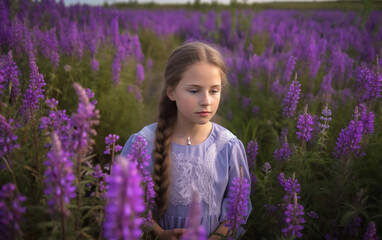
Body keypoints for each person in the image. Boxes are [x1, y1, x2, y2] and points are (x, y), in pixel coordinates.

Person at [121, 41, 252, 240]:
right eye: (194, 91)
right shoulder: (142, 143)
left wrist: (218, 236)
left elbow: (239, 208)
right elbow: (126, 201)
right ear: (171, 91)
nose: (206, 100)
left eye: (214, 90)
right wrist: (157, 233)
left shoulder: (228, 146)